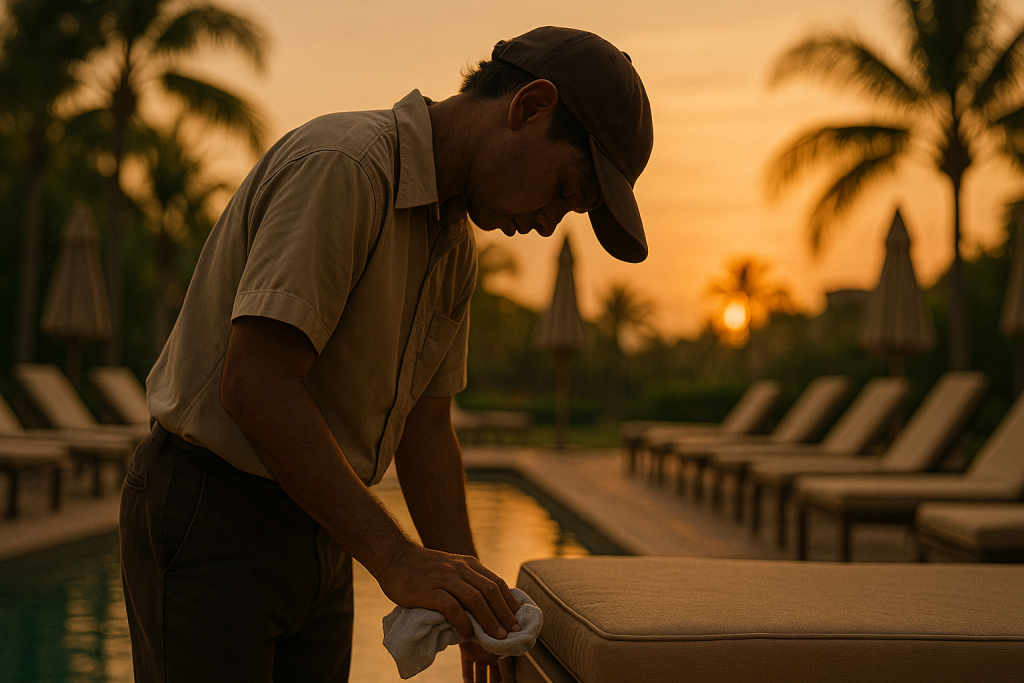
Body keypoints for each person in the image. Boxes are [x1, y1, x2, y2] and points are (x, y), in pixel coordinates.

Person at [119, 25, 653, 683]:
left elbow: (426, 431)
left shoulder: (451, 244)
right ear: (529, 107)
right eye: (565, 192)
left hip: (322, 517)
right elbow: (255, 380)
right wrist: (396, 557)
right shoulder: (347, 168)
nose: (548, 223)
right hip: (215, 513)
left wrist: (478, 611)